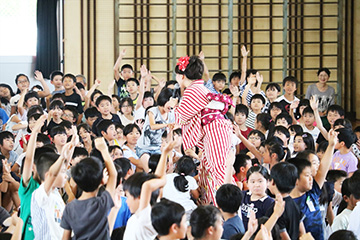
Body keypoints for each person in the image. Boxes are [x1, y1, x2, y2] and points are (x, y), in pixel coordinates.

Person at [174, 55, 235, 204]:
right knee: (209, 170)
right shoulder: (198, 88)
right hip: (216, 130)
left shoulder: (193, 90)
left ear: (182, 76)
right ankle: (210, 207)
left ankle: (221, 209)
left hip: (215, 131)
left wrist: (172, 106)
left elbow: (181, 118)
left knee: (216, 172)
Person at [61, 138, 117, 239]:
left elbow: (65, 238)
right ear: (102, 181)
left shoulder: (70, 207)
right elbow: (113, 175)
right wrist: (104, 150)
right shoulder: (102, 203)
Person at [289, 129, 337, 240]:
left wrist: (331, 145)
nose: (318, 167)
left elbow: (322, 171)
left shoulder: (312, 192)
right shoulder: (288, 204)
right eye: (314, 163)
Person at [267, 162, 305, 240]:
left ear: (273, 182)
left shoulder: (276, 209)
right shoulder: (294, 203)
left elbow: (283, 236)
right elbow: (302, 232)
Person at [240, 166, 274, 230]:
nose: (256, 185)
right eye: (253, 182)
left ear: (267, 182)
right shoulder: (243, 195)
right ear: (247, 183)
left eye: (260, 181)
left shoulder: (269, 203)